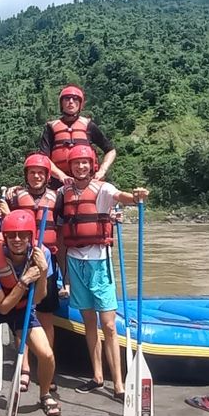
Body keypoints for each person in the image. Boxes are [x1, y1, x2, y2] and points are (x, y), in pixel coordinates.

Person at [56, 144, 149, 399]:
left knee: (108, 325)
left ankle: (118, 385)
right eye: (76, 163)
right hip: (75, 262)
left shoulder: (104, 189)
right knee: (88, 322)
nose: (80, 166)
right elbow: (56, 222)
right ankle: (97, 377)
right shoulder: (63, 192)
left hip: (100, 263)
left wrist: (137, 197)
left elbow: (124, 197)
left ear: (92, 165)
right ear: (71, 167)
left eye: (85, 162)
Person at [0, 209, 58, 416]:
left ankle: (45, 394)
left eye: (22, 235)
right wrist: (24, 280)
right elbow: (2, 307)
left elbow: (38, 299)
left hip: (22, 308)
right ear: (5, 237)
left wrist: (42, 273)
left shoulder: (43, 254)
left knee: (46, 354)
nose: (17, 239)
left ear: (31, 236)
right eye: (11, 235)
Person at [1, 153, 62, 393]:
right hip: (22, 259)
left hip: (47, 260)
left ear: (47, 176)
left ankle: (47, 367)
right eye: (32, 172)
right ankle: (24, 367)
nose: (36, 176)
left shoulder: (57, 198)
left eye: (40, 173)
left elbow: (64, 231)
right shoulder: (15, 197)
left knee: (45, 316)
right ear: (26, 175)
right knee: (21, 315)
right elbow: (6, 226)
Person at [40, 85, 116, 186]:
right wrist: (61, 176)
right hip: (59, 183)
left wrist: (102, 170)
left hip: (87, 181)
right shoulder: (50, 128)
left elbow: (110, 151)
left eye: (75, 99)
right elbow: (43, 158)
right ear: (61, 103)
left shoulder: (89, 125)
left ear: (80, 104)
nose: (71, 102)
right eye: (67, 99)